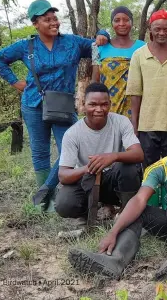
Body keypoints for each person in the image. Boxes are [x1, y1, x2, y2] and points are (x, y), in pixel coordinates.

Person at [0, 0, 109, 210]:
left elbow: (96, 43)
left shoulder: (72, 42)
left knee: (70, 148)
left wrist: (104, 33)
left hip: (62, 105)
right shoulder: (25, 46)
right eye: (47, 20)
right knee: (40, 151)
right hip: (33, 104)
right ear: (35, 23)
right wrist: (17, 83)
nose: (54, 22)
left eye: (55, 18)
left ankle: (46, 190)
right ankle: (45, 204)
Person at [68, 128, 167, 281]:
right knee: (139, 212)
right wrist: (113, 233)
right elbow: (139, 199)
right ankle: (113, 262)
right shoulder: (157, 168)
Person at [55, 83, 144, 221]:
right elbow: (63, 175)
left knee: (128, 168)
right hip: (87, 180)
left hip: (113, 180)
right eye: (93, 104)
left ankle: (127, 212)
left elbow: (138, 154)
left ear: (110, 104)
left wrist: (113, 157)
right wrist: (90, 167)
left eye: (104, 104)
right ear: (84, 104)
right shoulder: (72, 133)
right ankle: (91, 213)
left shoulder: (121, 122)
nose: (99, 109)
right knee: (64, 204)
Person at [126, 10, 167, 168]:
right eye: (157, 29)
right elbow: (135, 94)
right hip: (147, 125)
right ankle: (152, 194)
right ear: (150, 28)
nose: (162, 33)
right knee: (150, 168)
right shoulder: (139, 55)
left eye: (166, 29)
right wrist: (134, 126)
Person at [91, 6, 146, 119]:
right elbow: (95, 80)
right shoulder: (99, 47)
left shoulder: (143, 47)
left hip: (136, 110)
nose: (121, 23)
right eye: (117, 20)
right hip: (108, 108)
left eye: (126, 20)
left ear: (131, 22)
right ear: (112, 23)